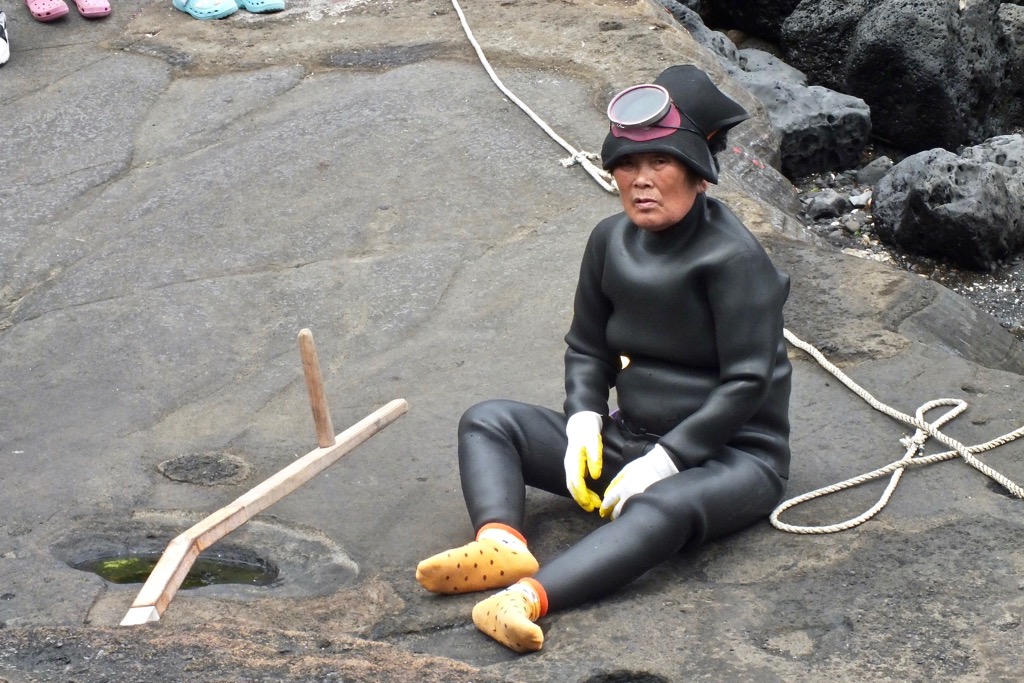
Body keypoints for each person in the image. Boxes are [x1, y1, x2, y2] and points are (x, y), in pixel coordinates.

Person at [415, 64, 793, 653]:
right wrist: (585, 417)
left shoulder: (735, 260)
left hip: (729, 457)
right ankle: (500, 541)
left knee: (661, 509)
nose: (640, 181)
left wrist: (670, 459)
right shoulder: (608, 241)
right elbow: (588, 346)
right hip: (630, 437)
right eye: (627, 164)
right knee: (489, 420)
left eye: (660, 163)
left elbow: (747, 381)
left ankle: (528, 599)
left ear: (698, 175)